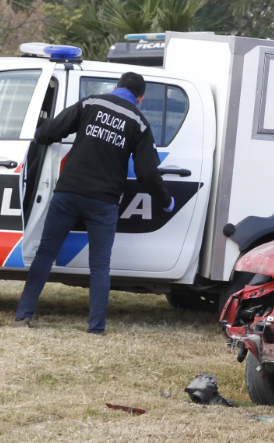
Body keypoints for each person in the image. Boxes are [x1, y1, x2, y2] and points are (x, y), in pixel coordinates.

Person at [12, 72, 173, 334]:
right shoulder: (139, 122)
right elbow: (147, 174)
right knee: (99, 265)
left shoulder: (91, 103)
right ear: (140, 98)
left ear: (115, 87)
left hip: (69, 192)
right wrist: (166, 200)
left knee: (45, 254)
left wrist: (39, 137)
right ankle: (96, 328)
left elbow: (51, 131)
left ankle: (23, 316)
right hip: (104, 202)